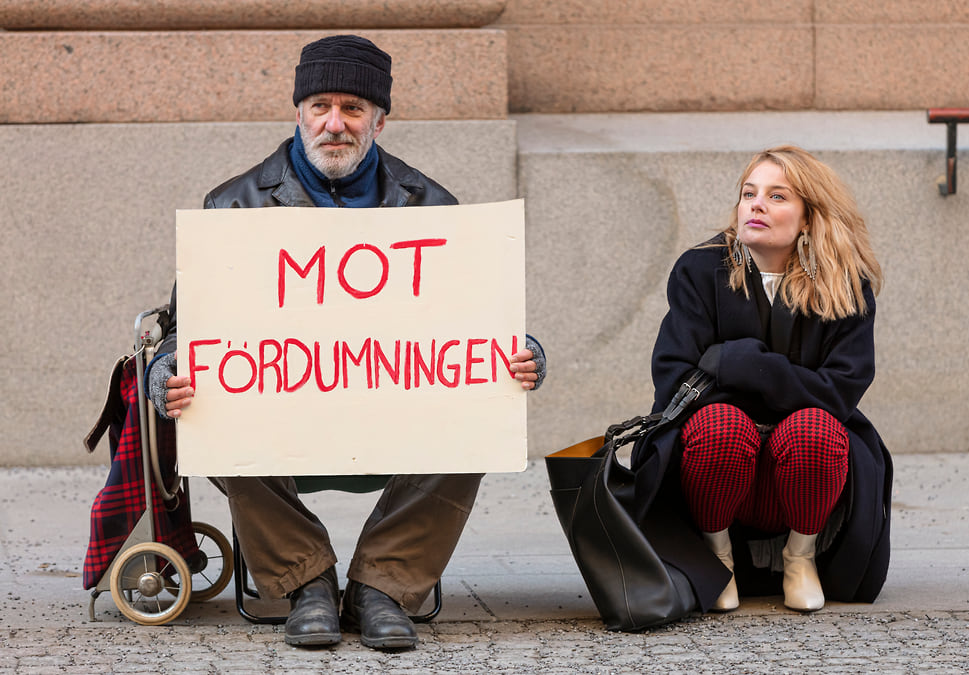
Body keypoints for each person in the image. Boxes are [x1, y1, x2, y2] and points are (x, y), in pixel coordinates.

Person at [144, 35, 545, 651]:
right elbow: (185, 332)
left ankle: (382, 584)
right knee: (209, 406)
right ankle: (306, 580)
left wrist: (522, 355)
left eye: (353, 108)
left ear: (380, 120)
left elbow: (476, 329)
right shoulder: (232, 206)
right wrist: (170, 369)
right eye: (321, 106)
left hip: (395, 419)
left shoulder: (433, 207)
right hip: (278, 424)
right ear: (298, 112)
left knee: (483, 405)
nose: (336, 123)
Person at [633, 145, 891, 615]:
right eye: (749, 193)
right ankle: (717, 557)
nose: (756, 204)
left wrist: (739, 363)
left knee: (813, 428)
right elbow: (674, 382)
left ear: (809, 217)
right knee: (722, 425)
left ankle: (800, 557)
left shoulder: (846, 285)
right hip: (716, 475)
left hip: (805, 482)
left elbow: (839, 394)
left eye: (777, 196)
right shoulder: (700, 269)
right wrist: (791, 386)